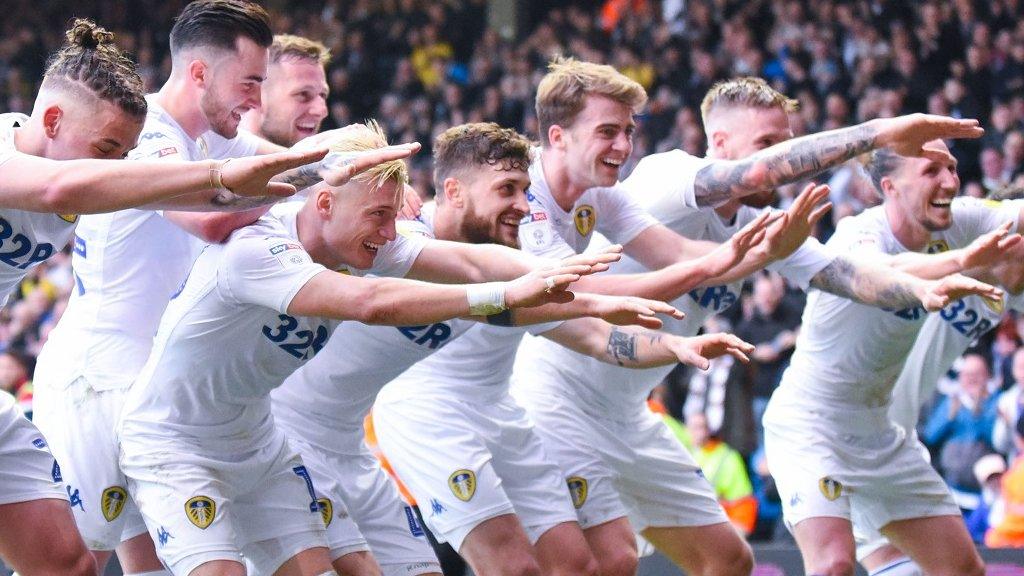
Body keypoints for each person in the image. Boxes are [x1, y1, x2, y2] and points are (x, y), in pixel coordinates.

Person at [510, 75, 1004, 576]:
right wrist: (879, 133)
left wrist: (930, 280)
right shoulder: (671, 175)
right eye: (768, 141)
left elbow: (842, 275)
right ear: (719, 143)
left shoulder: (759, 225)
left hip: (628, 413)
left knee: (728, 560)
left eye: (786, 139)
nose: (783, 154)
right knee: (608, 560)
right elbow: (751, 178)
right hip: (556, 395)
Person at [115, 122, 655, 576]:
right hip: (174, 440)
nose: (390, 231)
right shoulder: (258, 252)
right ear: (324, 202)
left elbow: (469, 263)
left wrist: (564, 278)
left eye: (393, 215)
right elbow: (372, 302)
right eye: (378, 215)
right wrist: (509, 294)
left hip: (258, 442)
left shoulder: (363, 240)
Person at [273, 122, 754, 576]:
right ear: (455, 191)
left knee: (588, 562)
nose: (524, 205)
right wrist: (369, 180)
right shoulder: (398, 238)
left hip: (455, 417)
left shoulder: (478, 256)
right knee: (513, 566)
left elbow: (588, 329)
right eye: (507, 190)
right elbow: (475, 283)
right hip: (397, 414)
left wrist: (675, 340)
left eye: (526, 190)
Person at [31, 3, 410, 574]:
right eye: (251, 81)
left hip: (165, 395)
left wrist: (376, 177)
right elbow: (209, 217)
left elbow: (301, 164)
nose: (258, 101)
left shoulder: (225, 143)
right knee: (76, 563)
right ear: (200, 73)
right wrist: (314, 176)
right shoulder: (148, 135)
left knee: (162, 563)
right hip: (97, 379)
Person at [763, 141, 1022, 576]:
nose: (949, 181)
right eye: (931, 170)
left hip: (883, 431)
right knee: (833, 565)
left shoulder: (964, 223)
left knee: (962, 570)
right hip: (814, 425)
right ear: (890, 187)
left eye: (953, 168)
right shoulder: (859, 235)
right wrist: (961, 262)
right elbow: (877, 274)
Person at [239, 34, 329, 148]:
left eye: (323, 95)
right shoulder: (213, 158)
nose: (322, 110)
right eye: (303, 94)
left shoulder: (330, 162)